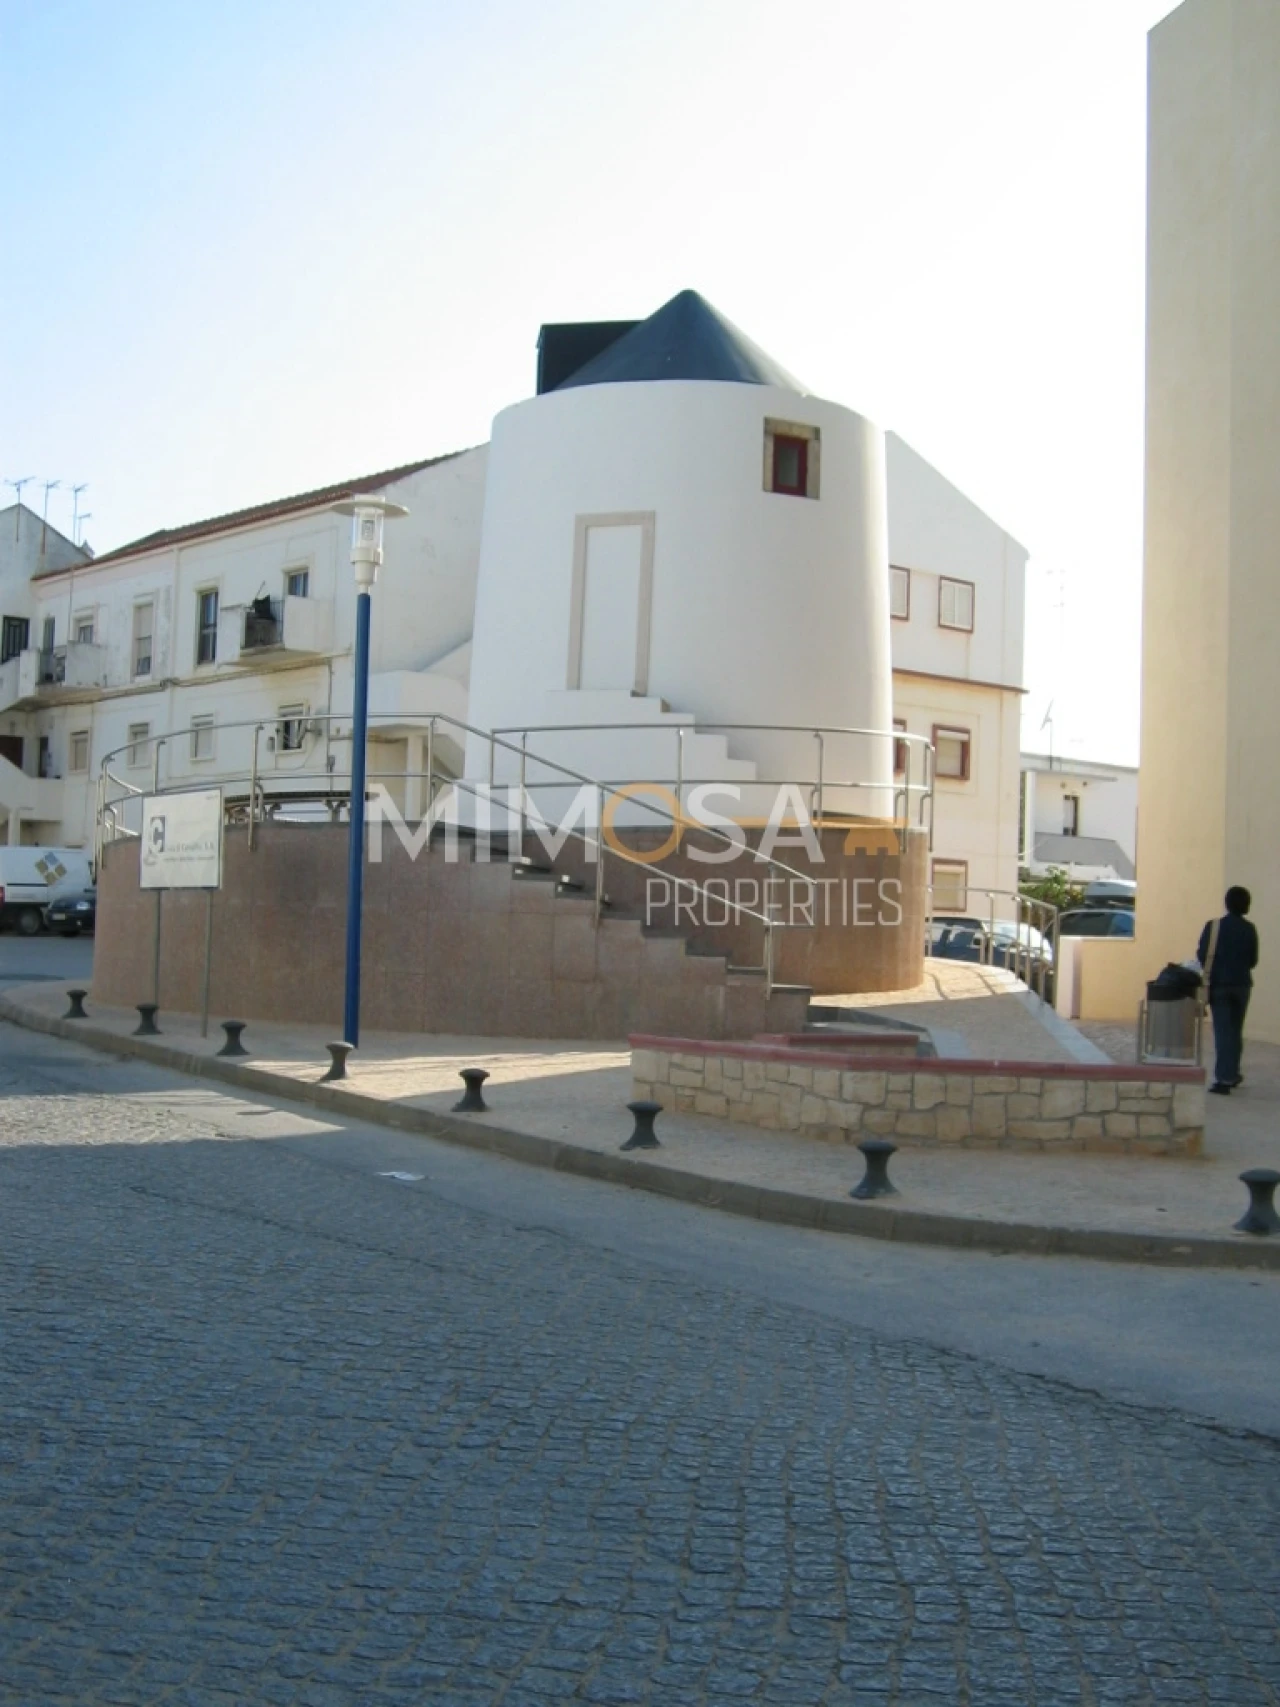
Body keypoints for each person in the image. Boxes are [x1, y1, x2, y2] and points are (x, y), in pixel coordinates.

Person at [1197, 886, 1259, 1095]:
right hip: (1242, 984)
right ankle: (1233, 1072)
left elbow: (1203, 954)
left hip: (1219, 984)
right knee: (1235, 1030)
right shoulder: (1249, 929)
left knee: (1223, 1032)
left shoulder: (1213, 927)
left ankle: (1224, 1079)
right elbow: (1253, 960)